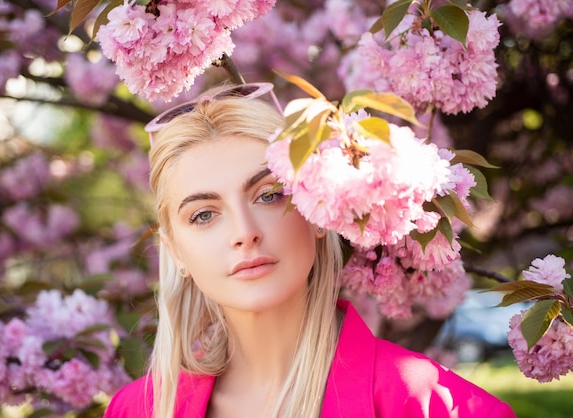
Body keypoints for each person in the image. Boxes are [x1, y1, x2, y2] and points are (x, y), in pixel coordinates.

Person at [103, 83, 516, 418]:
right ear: (174, 251)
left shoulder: (435, 406)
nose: (244, 234)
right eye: (204, 215)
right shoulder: (135, 410)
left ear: (317, 211)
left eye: (268, 196)